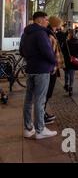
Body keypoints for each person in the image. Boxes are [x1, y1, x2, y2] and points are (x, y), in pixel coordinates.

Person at [19, 11, 58, 140]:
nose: (47, 22)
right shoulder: (41, 33)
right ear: (40, 20)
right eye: (46, 20)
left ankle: (28, 128)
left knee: (29, 99)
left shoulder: (26, 33)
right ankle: (40, 130)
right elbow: (47, 51)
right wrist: (54, 62)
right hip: (42, 69)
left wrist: (31, 58)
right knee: (40, 100)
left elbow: (21, 50)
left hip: (30, 69)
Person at [44, 16, 65, 125]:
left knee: (47, 93)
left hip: (52, 67)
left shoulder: (51, 33)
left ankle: (43, 113)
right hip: (50, 68)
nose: (60, 26)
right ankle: (42, 115)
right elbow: (50, 52)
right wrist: (53, 65)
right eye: (59, 24)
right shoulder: (49, 34)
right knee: (46, 93)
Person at [61, 29, 78, 97]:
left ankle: (66, 84)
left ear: (69, 35)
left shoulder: (66, 42)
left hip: (66, 60)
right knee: (72, 74)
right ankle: (71, 87)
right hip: (73, 60)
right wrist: (75, 54)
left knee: (66, 73)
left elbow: (62, 51)